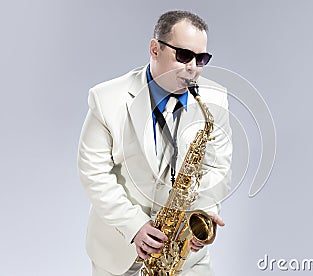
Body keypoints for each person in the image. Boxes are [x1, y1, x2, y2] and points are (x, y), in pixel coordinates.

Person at [78, 10, 232, 276]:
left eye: (201, 58)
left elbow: (218, 168)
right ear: (155, 49)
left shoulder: (215, 99)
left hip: (185, 256)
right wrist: (134, 226)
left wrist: (203, 212)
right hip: (119, 252)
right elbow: (94, 173)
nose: (193, 67)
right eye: (183, 55)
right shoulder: (106, 98)